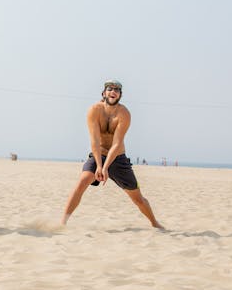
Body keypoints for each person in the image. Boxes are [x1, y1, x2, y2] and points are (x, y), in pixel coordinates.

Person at [62, 79, 163, 229]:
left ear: (120, 95)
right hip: (98, 154)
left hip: (118, 158)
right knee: (82, 182)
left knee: (137, 198)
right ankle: (62, 223)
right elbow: (95, 141)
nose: (113, 91)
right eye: (110, 89)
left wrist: (105, 167)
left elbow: (117, 144)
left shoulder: (124, 114)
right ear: (104, 93)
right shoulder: (94, 110)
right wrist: (99, 165)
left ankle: (155, 224)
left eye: (117, 90)